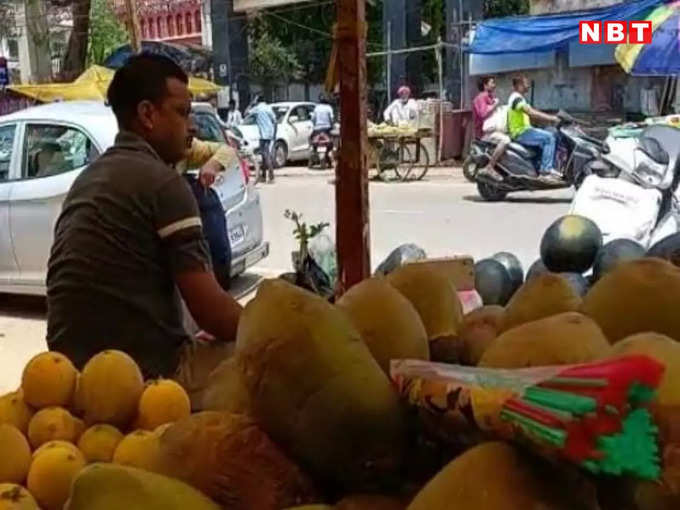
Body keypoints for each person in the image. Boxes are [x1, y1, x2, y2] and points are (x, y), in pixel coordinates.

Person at [46, 54, 242, 406]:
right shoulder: (165, 184)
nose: (192, 127)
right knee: (268, 370)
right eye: (182, 113)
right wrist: (274, 328)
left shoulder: (87, 179)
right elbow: (212, 313)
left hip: (65, 374)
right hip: (146, 376)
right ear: (148, 114)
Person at [508, 76, 561, 182]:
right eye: (525, 83)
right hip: (520, 132)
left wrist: (547, 121)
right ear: (519, 86)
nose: (528, 86)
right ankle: (545, 171)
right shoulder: (516, 98)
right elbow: (530, 112)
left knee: (550, 134)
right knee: (549, 138)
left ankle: (539, 168)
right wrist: (552, 118)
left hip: (525, 130)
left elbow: (531, 114)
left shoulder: (520, 98)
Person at [472, 76, 509, 181]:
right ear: (485, 85)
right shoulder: (481, 97)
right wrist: (495, 105)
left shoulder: (489, 97)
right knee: (505, 141)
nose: (494, 85)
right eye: (492, 83)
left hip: (491, 130)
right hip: (484, 133)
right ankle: (490, 167)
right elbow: (483, 114)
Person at [250, 95, 277, 183]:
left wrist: (252, 103)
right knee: (264, 155)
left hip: (263, 135)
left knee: (265, 155)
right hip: (269, 134)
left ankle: (271, 176)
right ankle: (264, 176)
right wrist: (274, 133)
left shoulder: (257, 108)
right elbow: (275, 121)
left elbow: (246, 113)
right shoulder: (268, 108)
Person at [310, 93, 335, 167]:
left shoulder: (316, 108)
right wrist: (332, 125)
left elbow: (313, 119)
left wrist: (315, 125)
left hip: (317, 129)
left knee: (311, 141)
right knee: (331, 144)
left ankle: (312, 159)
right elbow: (331, 119)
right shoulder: (329, 108)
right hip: (327, 129)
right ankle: (330, 160)